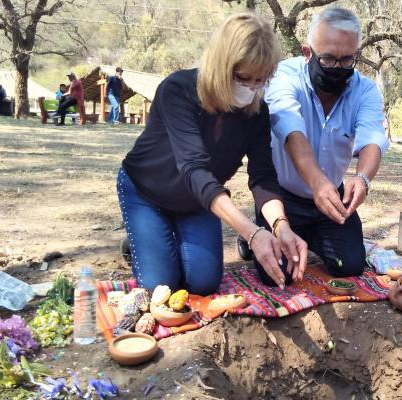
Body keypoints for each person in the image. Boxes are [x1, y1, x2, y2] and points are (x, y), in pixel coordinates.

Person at [117, 13, 308, 295]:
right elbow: (195, 169)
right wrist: (251, 233)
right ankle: (140, 241)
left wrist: (281, 227)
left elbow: (262, 176)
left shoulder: (256, 111)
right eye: (244, 78)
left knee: (203, 283)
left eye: (260, 81)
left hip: (198, 201)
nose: (251, 89)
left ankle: (162, 241)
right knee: (161, 286)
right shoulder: (177, 91)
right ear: (222, 64)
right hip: (146, 192)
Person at [244, 7, 388, 287]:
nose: (337, 68)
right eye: (329, 58)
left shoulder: (365, 90)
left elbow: (373, 138)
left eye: (348, 60)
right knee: (279, 275)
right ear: (307, 51)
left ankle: (311, 237)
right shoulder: (283, 76)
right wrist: (317, 182)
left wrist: (363, 178)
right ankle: (257, 231)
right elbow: (291, 130)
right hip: (284, 197)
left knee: (350, 266)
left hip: (332, 199)